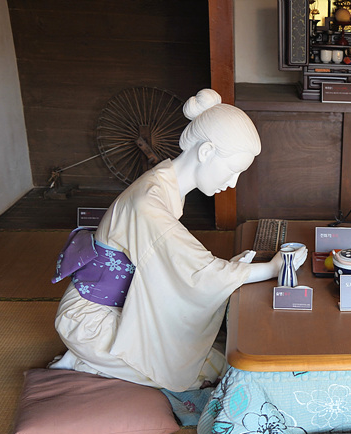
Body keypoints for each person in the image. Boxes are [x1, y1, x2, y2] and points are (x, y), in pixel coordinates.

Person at [50, 88, 306, 393]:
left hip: (119, 309)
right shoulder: (149, 203)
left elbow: (175, 261)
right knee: (204, 373)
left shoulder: (164, 181)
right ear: (206, 152)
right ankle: (85, 361)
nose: (233, 182)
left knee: (218, 344)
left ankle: (99, 358)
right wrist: (271, 268)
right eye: (233, 170)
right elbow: (198, 274)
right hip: (92, 322)